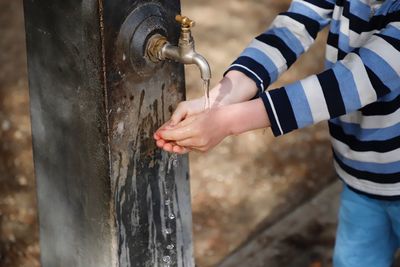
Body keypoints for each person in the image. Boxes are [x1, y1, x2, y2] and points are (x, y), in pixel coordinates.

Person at [154, 0, 400, 266]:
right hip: (359, 175)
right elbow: (291, 29)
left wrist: (229, 121)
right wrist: (217, 100)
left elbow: (347, 85)